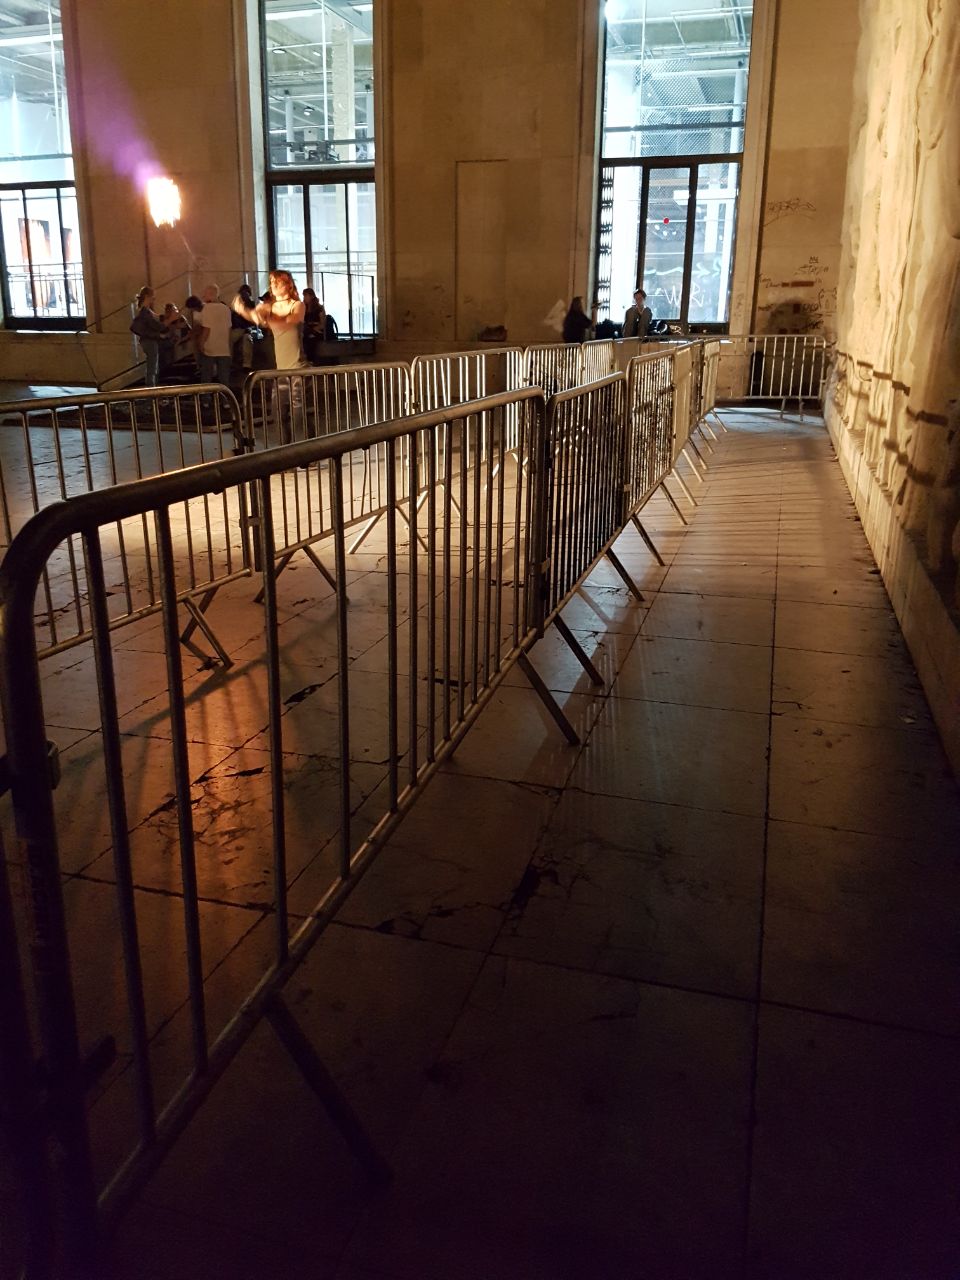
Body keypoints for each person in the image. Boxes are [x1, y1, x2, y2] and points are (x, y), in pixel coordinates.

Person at [232, 270, 308, 440]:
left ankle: (305, 447)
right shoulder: (270, 306)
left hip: (297, 369)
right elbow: (254, 315)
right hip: (280, 370)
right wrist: (243, 310)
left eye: (277, 282)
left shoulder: (297, 305)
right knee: (278, 413)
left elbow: (290, 322)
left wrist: (266, 319)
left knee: (298, 413)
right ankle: (285, 449)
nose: (273, 285)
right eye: (272, 282)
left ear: (287, 285)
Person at [130, 286, 179, 387]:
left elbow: (156, 323)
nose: (154, 299)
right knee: (152, 368)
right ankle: (151, 391)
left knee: (153, 367)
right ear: (147, 297)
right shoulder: (145, 312)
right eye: (153, 297)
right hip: (149, 341)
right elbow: (158, 326)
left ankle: (152, 389)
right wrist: (170, 319)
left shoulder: (147, 311)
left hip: (149, 341)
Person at [197, 284, 233, 387]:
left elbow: (207, 329)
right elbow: (229, 330)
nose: (203, 296)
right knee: (224, 379)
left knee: (207, 378)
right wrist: (230, 348)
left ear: (210, 294)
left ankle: (206, 397)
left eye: (205, 294)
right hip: (224, 348)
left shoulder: (207, 308)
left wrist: (201, 343)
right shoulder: (226, 309)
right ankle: (225, 397)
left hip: (210, 348)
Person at [230, 283, 257, 371]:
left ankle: (232, 362)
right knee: (245, 341)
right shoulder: (249, 304)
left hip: (243, 329)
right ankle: (246, 364)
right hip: (243, 329)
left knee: (242, 340)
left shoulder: (238, 304)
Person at [301, 286, 327, 364]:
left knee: (310, 341)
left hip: (317, 331)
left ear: (311, 296)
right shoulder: (304, 309)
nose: (304, 298)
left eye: (306, 296)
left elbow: (323, 324)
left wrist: (313, 329)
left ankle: (311, 360)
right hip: (307, 331)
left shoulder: (319, 308)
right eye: (304, 296)